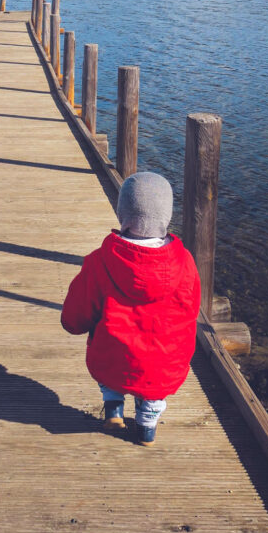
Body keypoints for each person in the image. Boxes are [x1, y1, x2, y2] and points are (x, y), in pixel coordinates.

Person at [61, 171, 201, 446]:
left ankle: (113, 409)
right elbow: (191, 311)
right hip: (163, 367)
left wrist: (74, 323)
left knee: (111, 354)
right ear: (167, 216)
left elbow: (75, 317)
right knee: (152, 384)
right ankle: (147, 427)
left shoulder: (99, 262)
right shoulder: (185, 262)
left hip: (112, 362)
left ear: (121, 213)